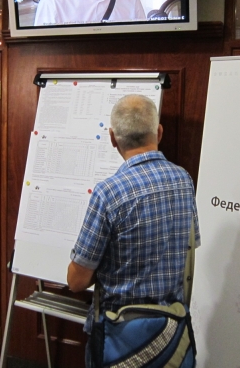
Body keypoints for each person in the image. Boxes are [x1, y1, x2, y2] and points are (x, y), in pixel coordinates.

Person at [67, 94, 200, 365]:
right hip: (172, 335)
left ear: (112, 138)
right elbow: (189, 248)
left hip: (120, 339)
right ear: (159, 132)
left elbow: (76, 281)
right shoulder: (183, 180)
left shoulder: (108, 193)